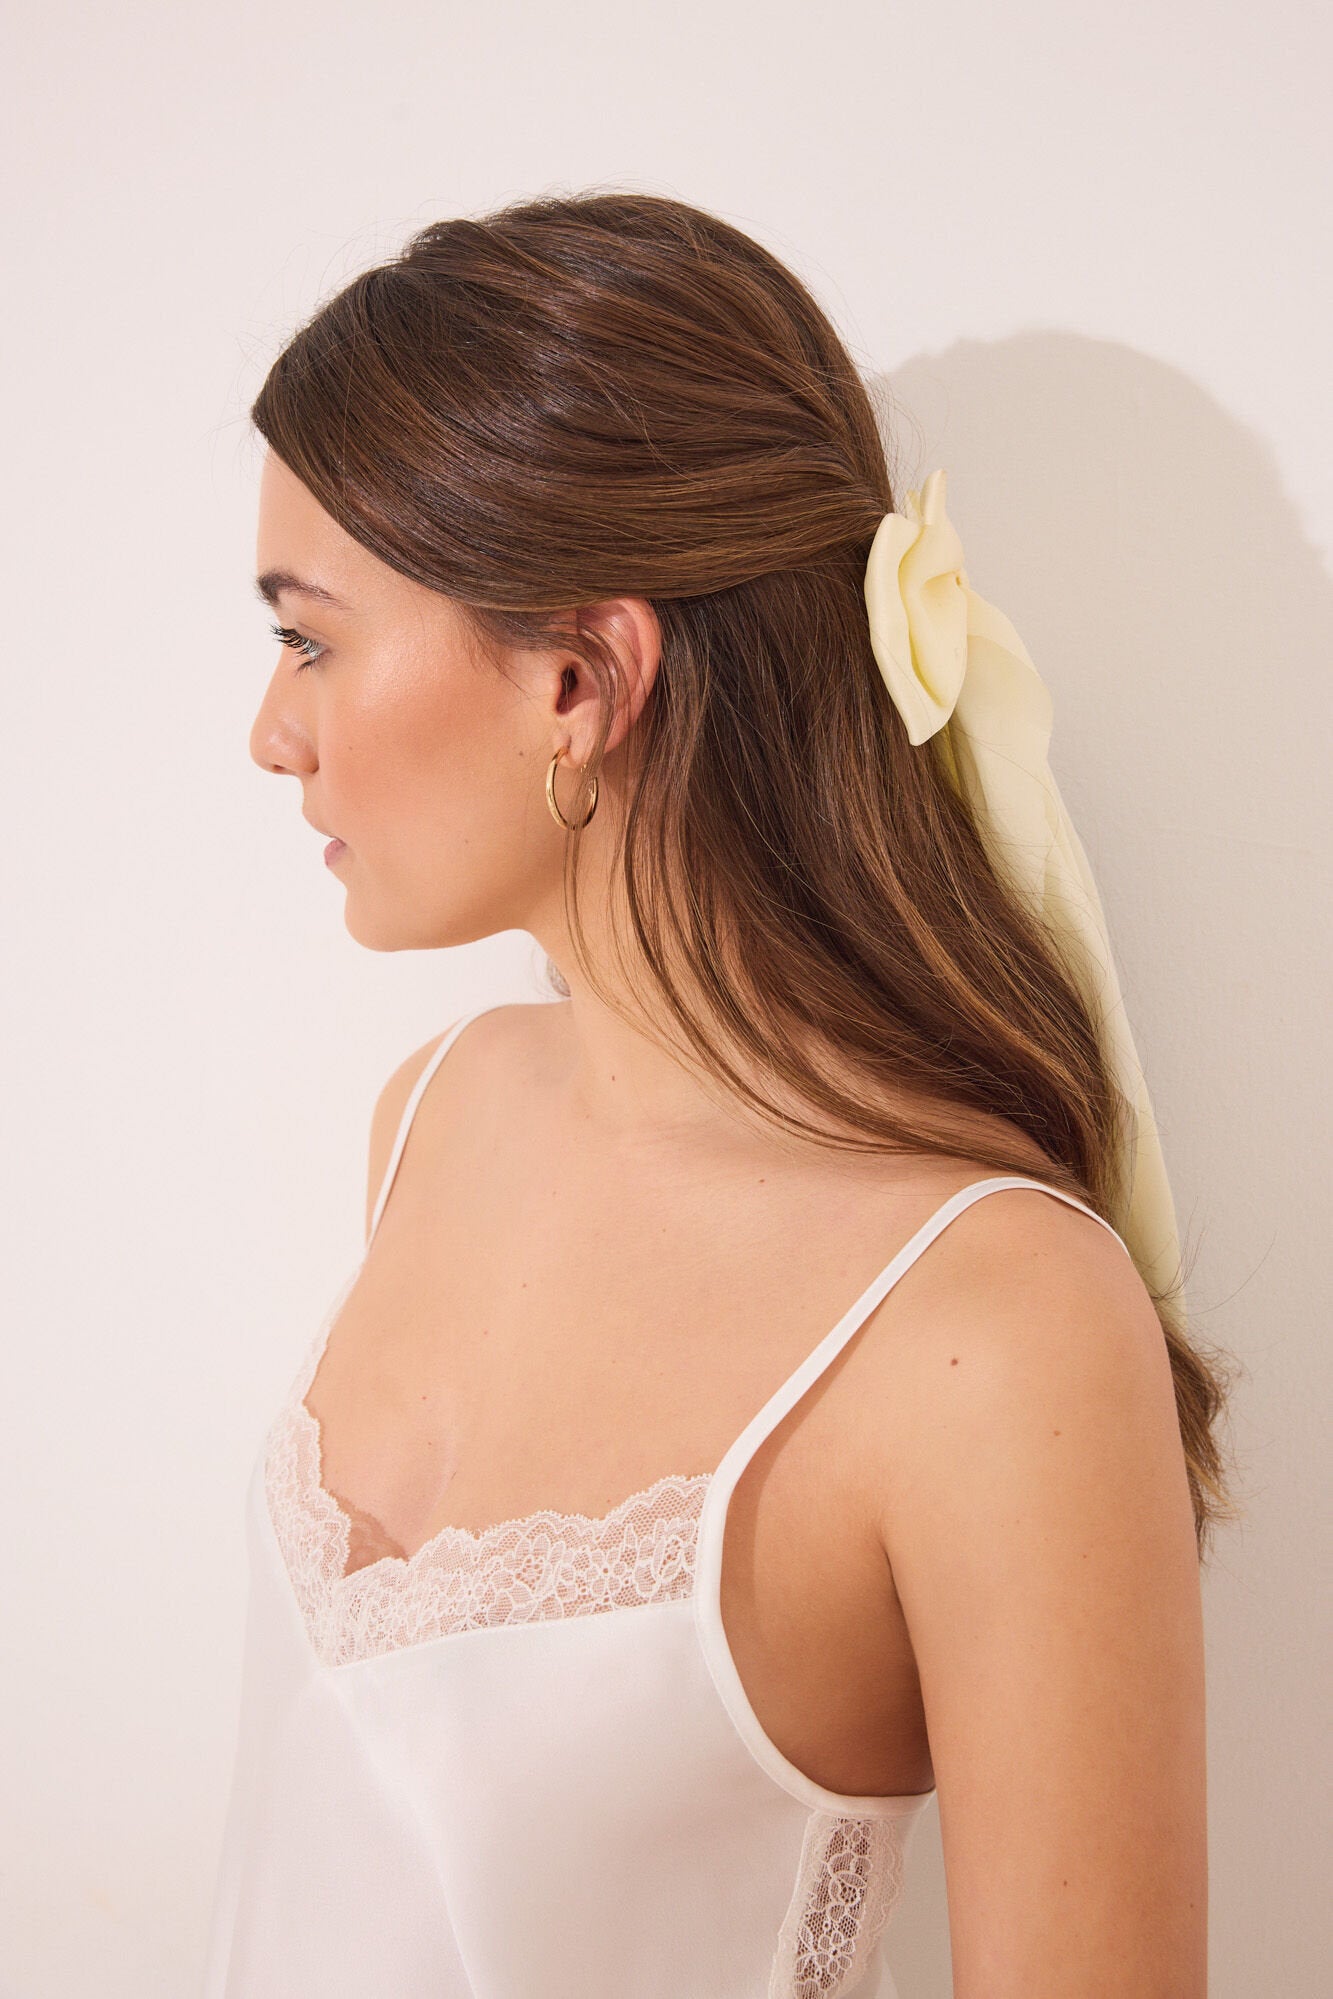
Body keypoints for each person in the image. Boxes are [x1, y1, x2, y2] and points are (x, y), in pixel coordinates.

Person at [203, 190, 1235, 1999]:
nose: (269, 733)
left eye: (311, 640)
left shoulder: (991, 1328)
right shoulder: (435, 1117)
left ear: (579, 677)